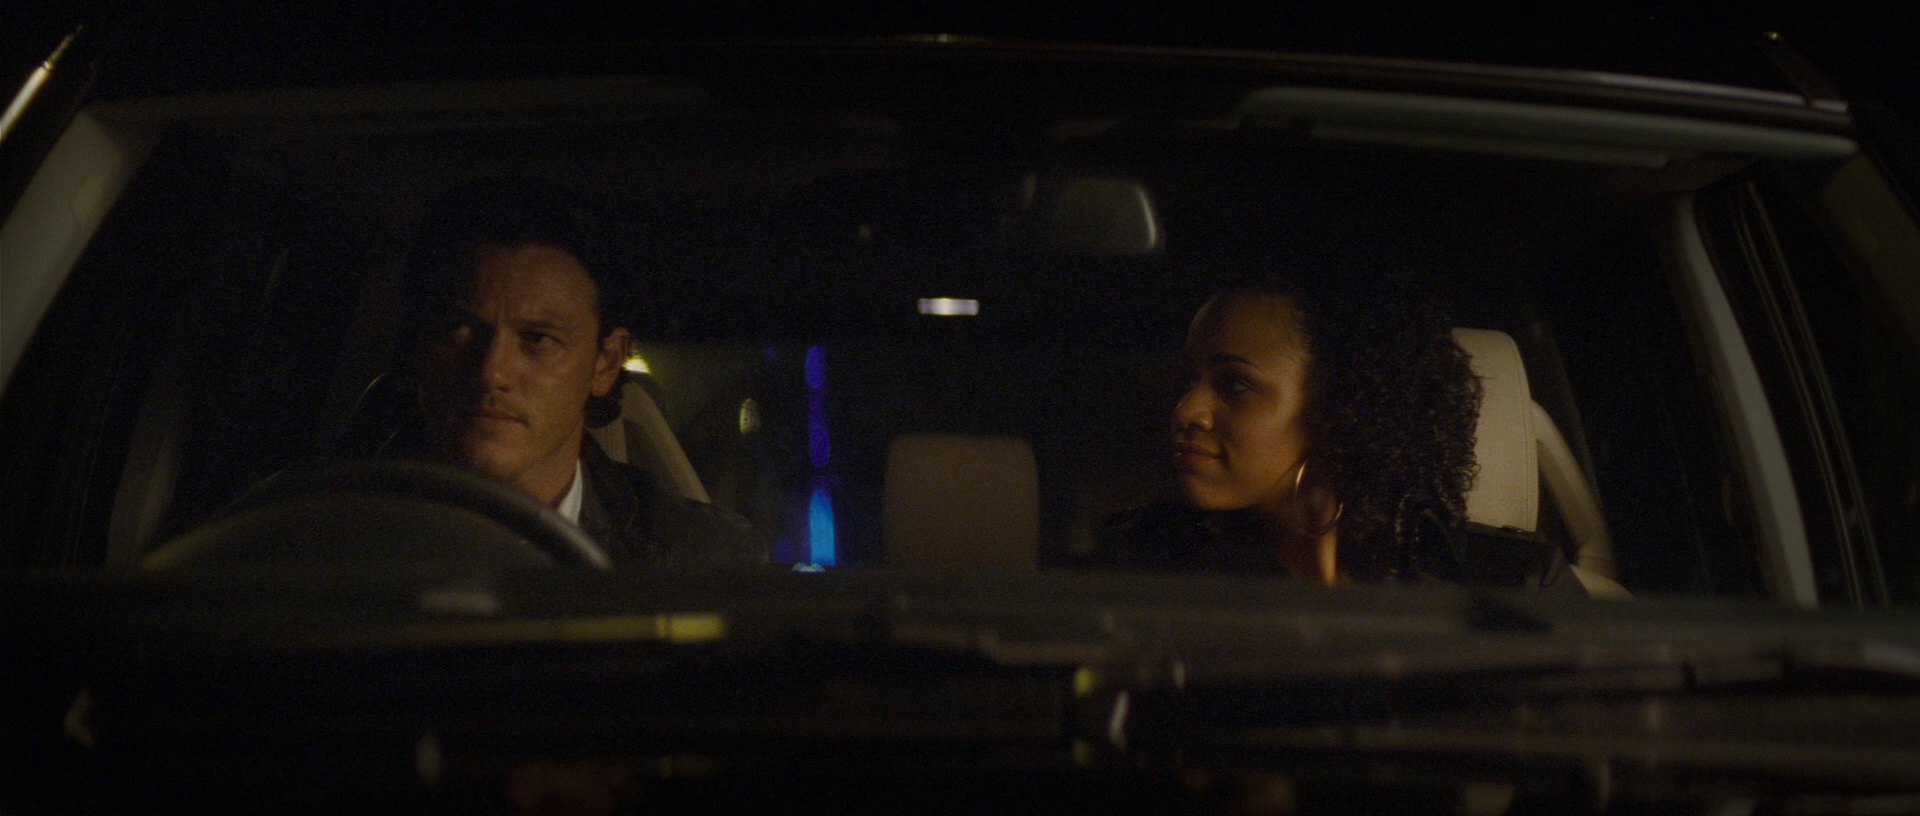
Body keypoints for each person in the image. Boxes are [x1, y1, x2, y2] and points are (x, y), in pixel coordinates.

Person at [1093, 269, 1575, 591]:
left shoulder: (1517, 586)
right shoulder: (1143, 571)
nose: (1187, 411)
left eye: (1235, 384)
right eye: (1188, 380)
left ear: (1340, 404)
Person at [400, 176, 764, 568]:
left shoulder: (701, 556)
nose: (491, 372)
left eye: (538, 339)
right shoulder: (354, 534)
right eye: (458, 331)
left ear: (605, 361)